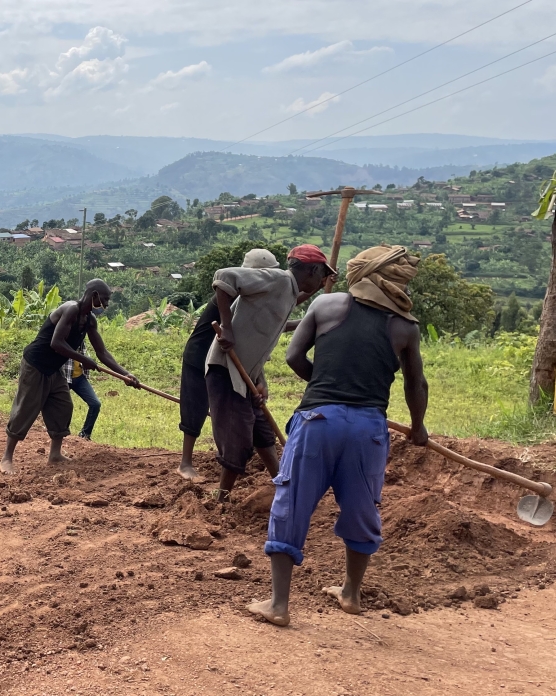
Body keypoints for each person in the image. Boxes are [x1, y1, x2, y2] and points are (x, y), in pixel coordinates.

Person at [248, 245, 429, 627]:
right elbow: (416, 383)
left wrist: (329, 385)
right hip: (369, 430)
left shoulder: (326, 305)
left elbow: (293, 358)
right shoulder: (405, 327)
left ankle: (278, 605)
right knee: (362, 509)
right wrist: (418, 427)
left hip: (318, 421)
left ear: (360, 275)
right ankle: (351, 594)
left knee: (292, 503)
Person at [206, 245, 332, 501]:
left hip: (248, 375)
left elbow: (282, 317)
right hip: (226, 369)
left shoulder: (286, 291)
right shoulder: (278, 279)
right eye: (322, 275)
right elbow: (223, 278)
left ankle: (282, 481)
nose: (323, 280)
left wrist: (316, 299)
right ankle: (220, 499)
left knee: (263, 432)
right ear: (314, 269)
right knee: (237, 438)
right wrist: (227, 328)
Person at [0, 279, 140, 474]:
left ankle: (55, 455)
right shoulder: (71, 309)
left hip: (54, 369)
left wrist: (125, 374)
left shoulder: (89, 320)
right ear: (94, 296)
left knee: (63, 406)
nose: (106, 305)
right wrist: (84, 359)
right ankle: (6, 458)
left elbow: (102, 353)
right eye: (105, 299)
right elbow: (56, 343)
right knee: (25, 408)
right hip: (36, 364)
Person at [178, 248, 282, 481]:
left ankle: (255, 462)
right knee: (194, 407)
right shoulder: (231, 294)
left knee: (240, 411)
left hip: (230, 361)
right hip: (200, 355)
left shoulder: (255, 298)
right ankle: (186, 463)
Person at [62, 346, 101, 440]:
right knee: (65, 406)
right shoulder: (61, 339)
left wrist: (88, 362)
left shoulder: (80, 338)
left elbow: (83, 355)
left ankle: (85, 435)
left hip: (79, 378)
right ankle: (62, 434)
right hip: (63, 378)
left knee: (95, 404)